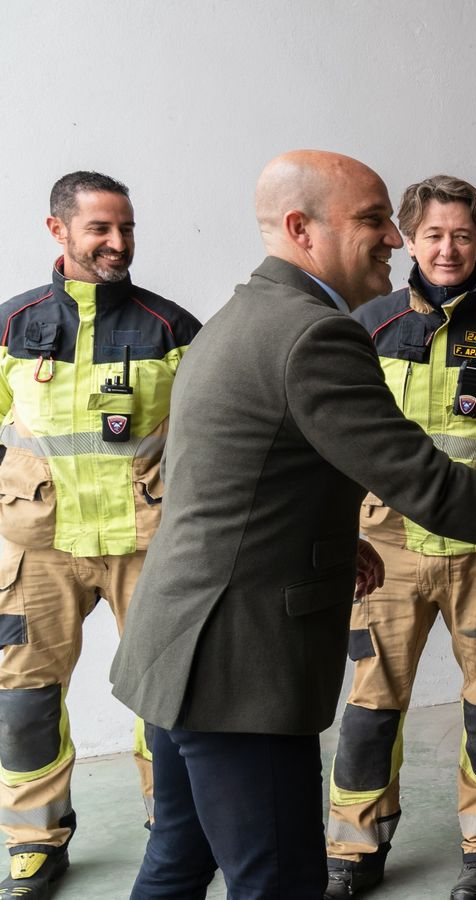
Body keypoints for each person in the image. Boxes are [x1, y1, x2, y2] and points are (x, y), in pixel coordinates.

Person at [108, 150, 476, 900]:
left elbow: (240, 474)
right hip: (238, 668)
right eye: (372, 220)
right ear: (301, 228)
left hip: (177, 644)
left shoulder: (243, 314)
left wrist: (330, 534)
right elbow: (429, 485)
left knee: (177, 863)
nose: (396, 239)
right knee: (280, 884)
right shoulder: (316, 336)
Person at [320, 174, 476, 900]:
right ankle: (354, 853)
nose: (448, 248)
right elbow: (335, 431)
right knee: (370, 705)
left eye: (463, 234)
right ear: (407, 238)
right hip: (385, 554)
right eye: (433, 234)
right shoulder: (363, 325)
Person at [0, 172, 201, 900]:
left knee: (163, 701)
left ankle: (170, 827)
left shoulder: (170, 327)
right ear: (58, 231)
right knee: (23, 700)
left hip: (145, 542)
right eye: (100, 230)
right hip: (40, 545)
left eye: (127, 229)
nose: (118, 244)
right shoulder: (12, 324)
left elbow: (208, 436)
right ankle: (32, 841)